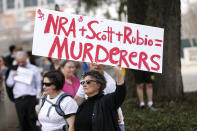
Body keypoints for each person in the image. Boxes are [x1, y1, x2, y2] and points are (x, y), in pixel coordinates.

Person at [75, 63, 125, 131]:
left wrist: (118, 72)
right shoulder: (83, 105)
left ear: (98, 85)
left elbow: (120, 93)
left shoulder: (105, 100)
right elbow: (76, 101)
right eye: (83, 82)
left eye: (88, 82)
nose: (84, 85)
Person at [6, 51, 42, 131]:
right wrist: (12, 76)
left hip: (31, 98)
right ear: (16, 60)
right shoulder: (13, 69)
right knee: (22, 121)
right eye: (19, 62)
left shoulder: (33, 68)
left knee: (33, 120)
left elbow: (38, 83)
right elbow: (9, 84)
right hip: (19, 100)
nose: (21, 64)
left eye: (23, 61)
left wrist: (38, 96)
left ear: (26, 58)